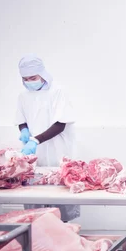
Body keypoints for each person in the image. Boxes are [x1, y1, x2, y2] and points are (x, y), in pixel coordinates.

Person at [15, 54, 79, 221]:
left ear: (42, 74)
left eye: (33, 77)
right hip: (35, 158)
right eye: (25, 79)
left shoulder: (57, 92)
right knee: (34, 212)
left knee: (59, 210)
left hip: (58, 153)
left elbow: (61, 124)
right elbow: (21, 120)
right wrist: (24, 131)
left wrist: (35, 140)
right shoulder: (23, 96)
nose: (29, 82)